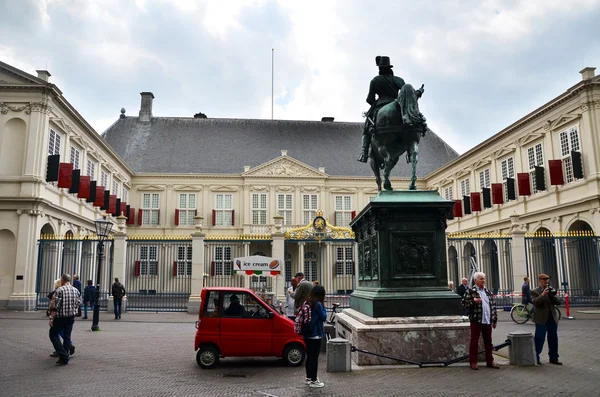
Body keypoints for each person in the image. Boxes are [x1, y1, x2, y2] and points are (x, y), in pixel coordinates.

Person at [358, 55, 409, 163]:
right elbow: (405, 93)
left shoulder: (375, 81)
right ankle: (410, 151)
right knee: (410, 124)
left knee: (366, 130)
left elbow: (369, 99)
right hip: (397, 106)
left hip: (380, 105)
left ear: (380, 68)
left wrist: (376, 102)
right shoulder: (398, 80)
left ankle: (364, 153)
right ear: (390, 68)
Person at [461, 272, 499, 370]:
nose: (483, 281)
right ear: (475, 280)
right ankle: (473, 362)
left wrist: (494, 320)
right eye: (481, 279)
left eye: (484, 279)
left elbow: (493, 307)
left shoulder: (488, 292)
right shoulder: (470, 291)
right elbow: (463, 303)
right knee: (474, 341)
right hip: (476, 319)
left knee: (488, 341)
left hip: (487, 320)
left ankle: (490, 361)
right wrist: (473, 301)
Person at [48, 274, 81, 365]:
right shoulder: (76, 290)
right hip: (70, 317)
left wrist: (51, 318)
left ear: (62, 280)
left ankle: (63, 354)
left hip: (60, 317)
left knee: (53, 334)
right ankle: (64, 357)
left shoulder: (60, 290)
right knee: (67, 336)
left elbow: (56, 306)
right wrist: (73, 310)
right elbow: (78, 302)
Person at [531, 273, 563, 365]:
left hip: (552, 317)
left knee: (553, 338)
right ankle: (536, 357)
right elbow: (536, 302)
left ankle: (554, 357)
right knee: (539, 338)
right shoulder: (535, 291)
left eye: (547, 279)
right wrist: (543, 294)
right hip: (541, 318)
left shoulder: (551, 289)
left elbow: (558, 302)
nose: (546, 281)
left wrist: (552, 296)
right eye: (544, 280)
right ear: (539, 280)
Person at [303, 285, 327, 388]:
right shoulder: (318, 304)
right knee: (314, 358)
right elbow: (324, 317)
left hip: (307, 333)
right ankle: (314, 380)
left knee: (309, 356)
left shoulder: (307, 302)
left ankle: (308, 378)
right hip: (315, 334)